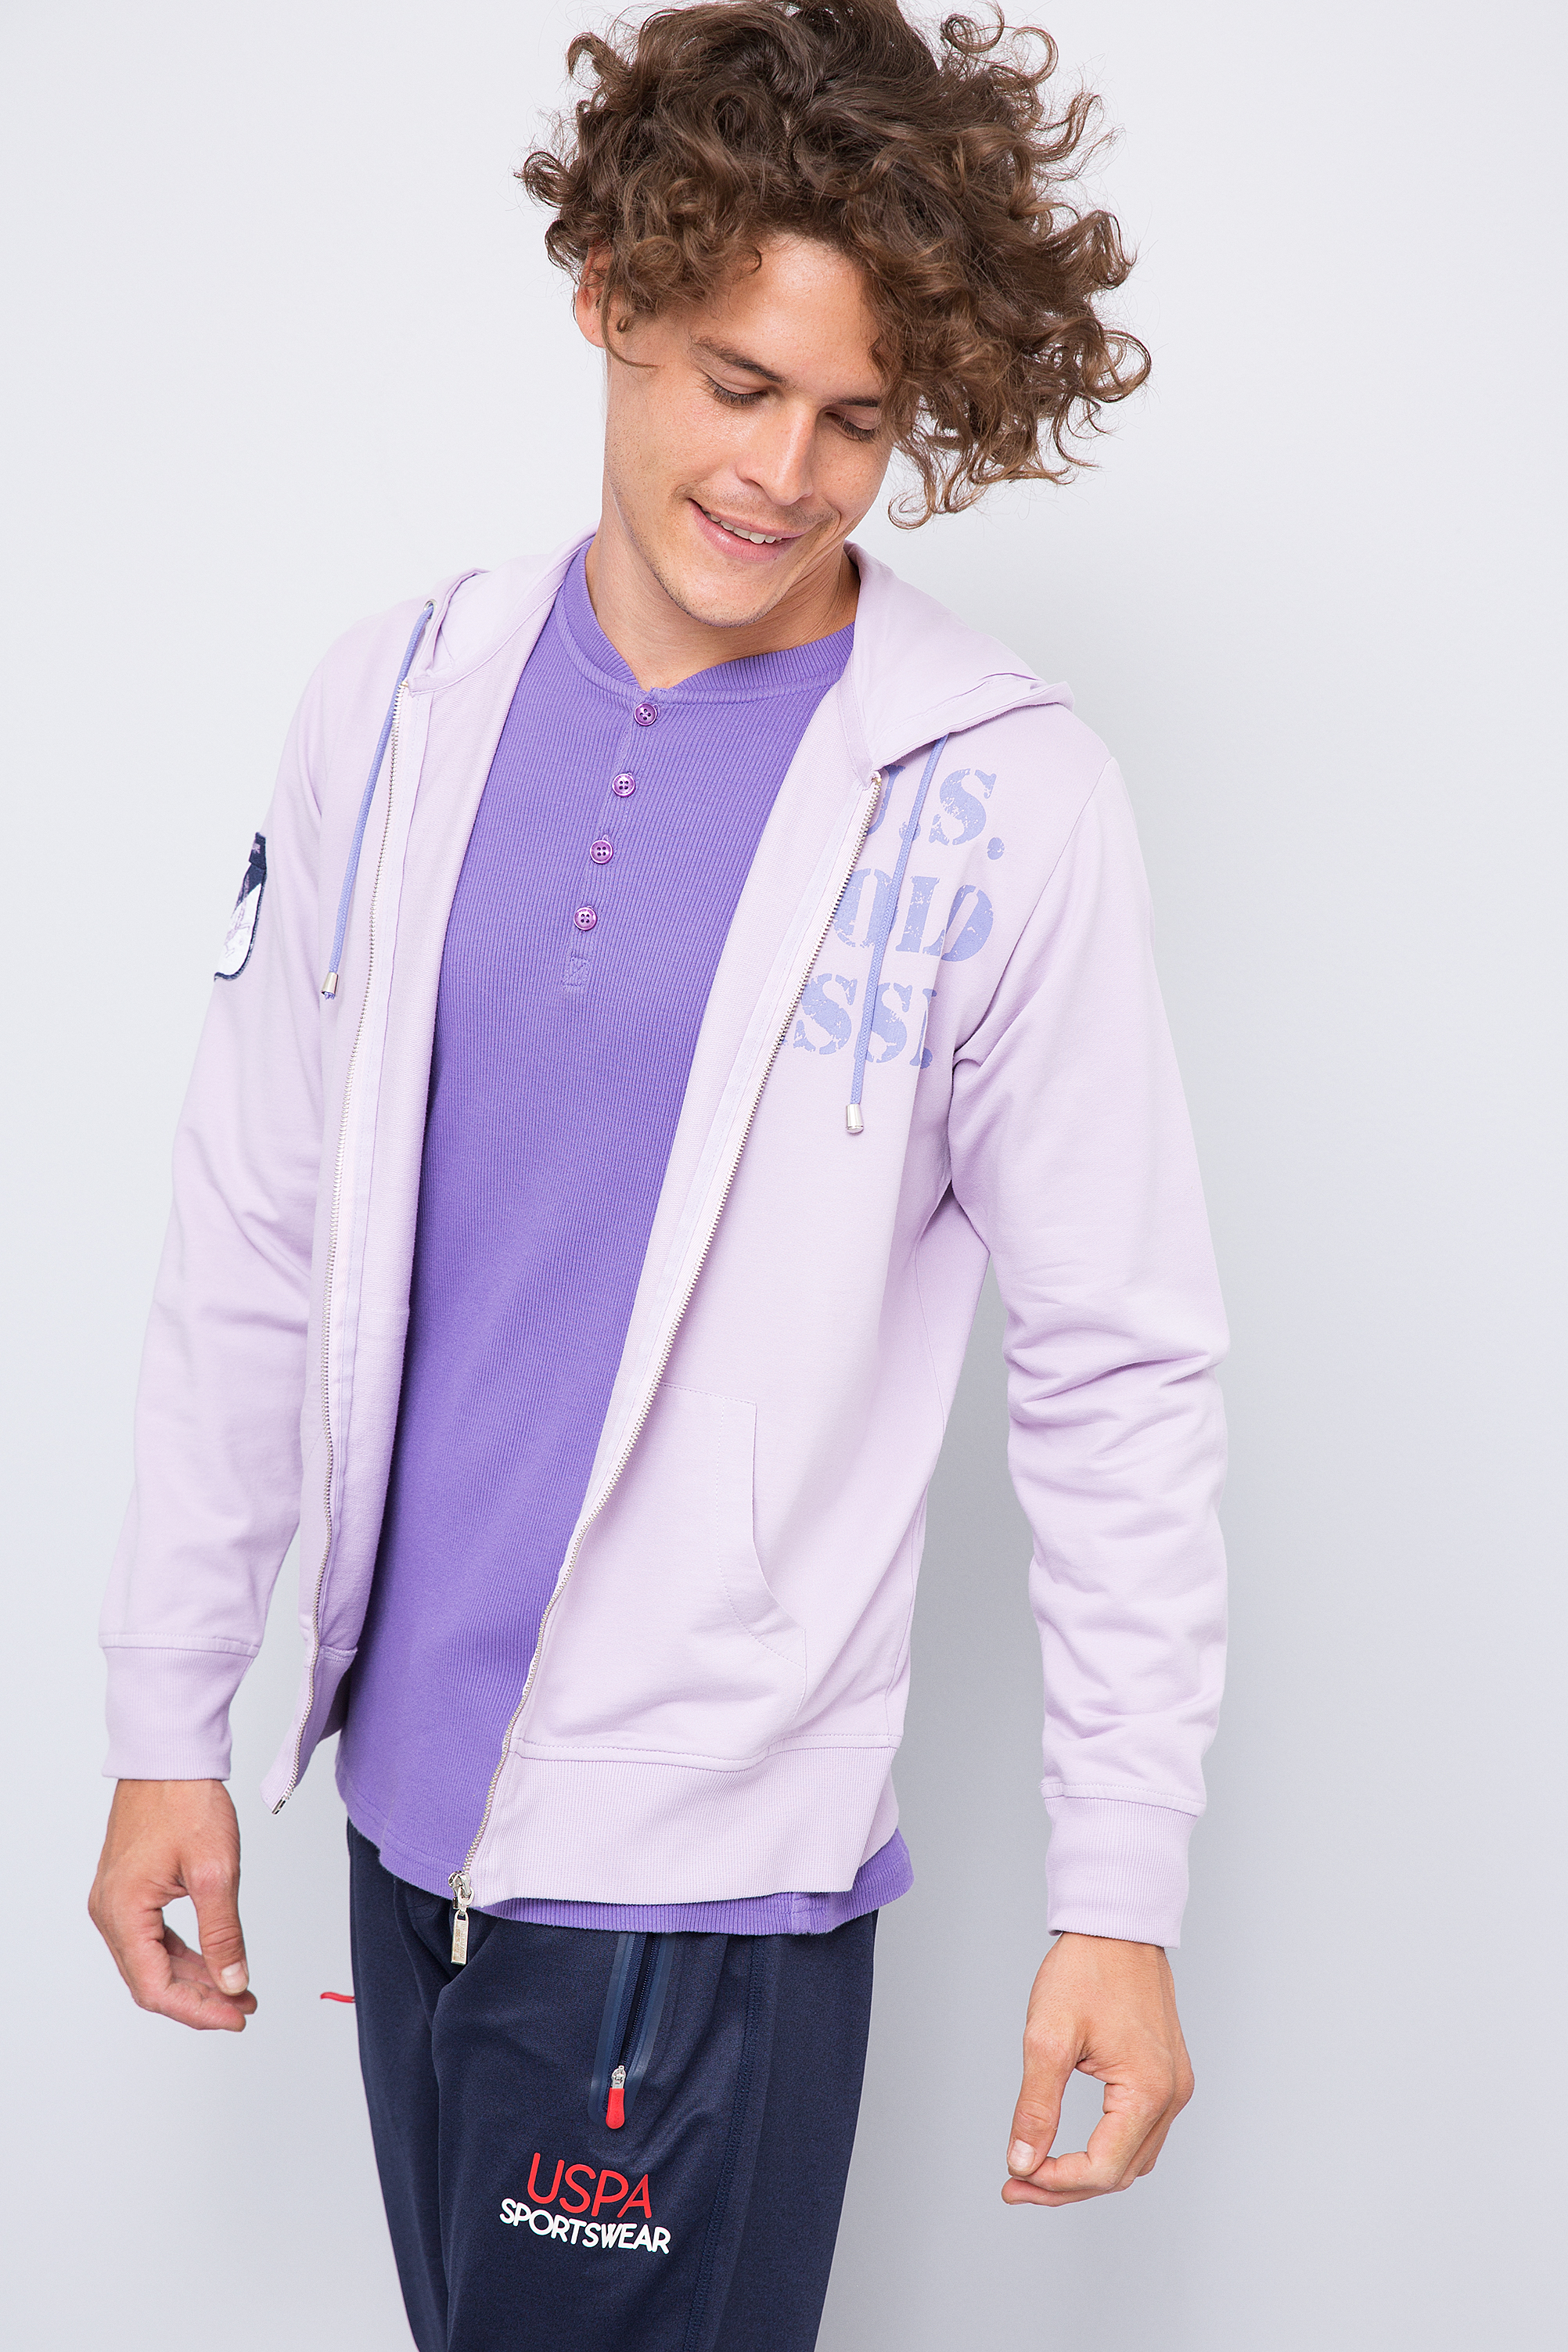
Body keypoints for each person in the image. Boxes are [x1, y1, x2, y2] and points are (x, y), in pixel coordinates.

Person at [88, 5, 1227, 2347]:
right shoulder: (395, 702)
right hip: (401, 1829)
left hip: (701, 1888)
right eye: (736, 382)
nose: (785, 474)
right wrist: (166, 1718)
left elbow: (1117, 1366)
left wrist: (1118, 1893)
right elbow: (257, 1223)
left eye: (855, 420)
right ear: (609, 294)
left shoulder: (998, 801)